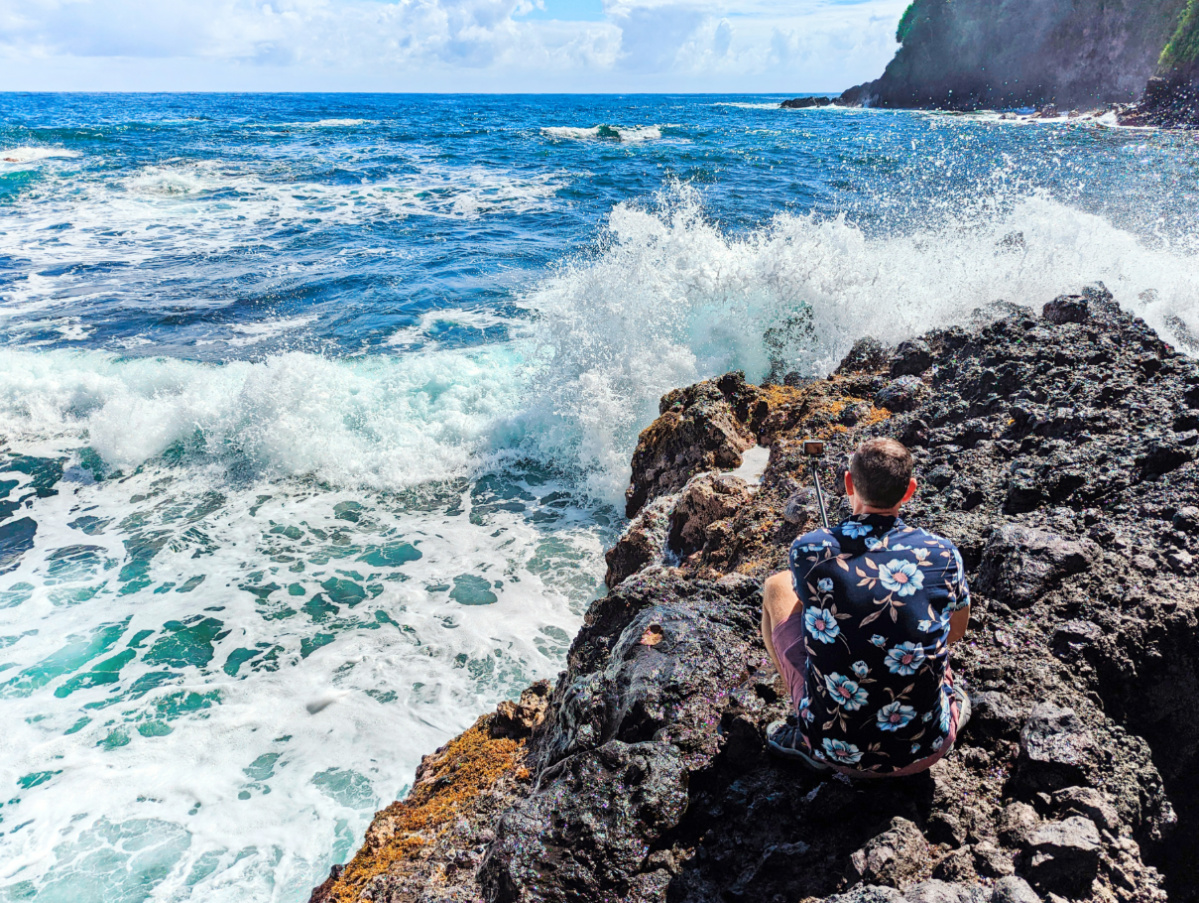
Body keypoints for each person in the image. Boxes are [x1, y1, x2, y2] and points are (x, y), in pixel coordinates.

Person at [761, 437, 971, 776]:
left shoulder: (809, 549)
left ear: (849, 483)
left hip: (832, 750)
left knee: (776, 587)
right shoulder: (944, 554)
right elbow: (956, 632)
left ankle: (802, 721)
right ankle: (951, 704)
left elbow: (802, 600)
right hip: (925, 751)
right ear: (910, 490)